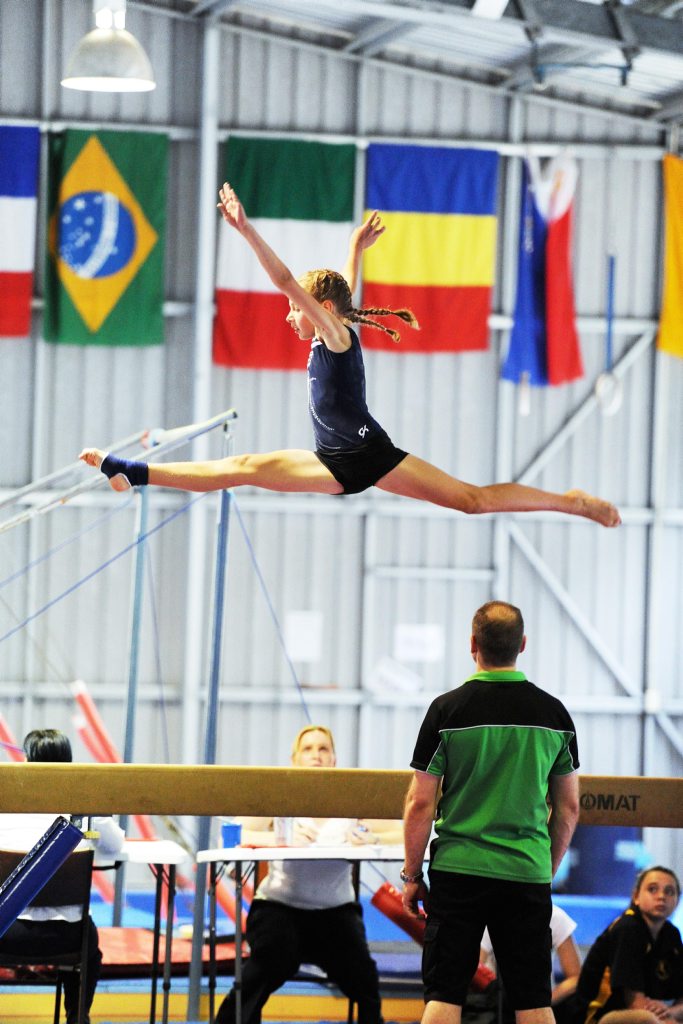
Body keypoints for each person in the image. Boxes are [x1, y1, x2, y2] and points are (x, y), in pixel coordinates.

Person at [78, 185, 621, 530]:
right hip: (329, 461)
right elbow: (337, 291)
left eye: (300, 311)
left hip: (367, 456)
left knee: (472, 501)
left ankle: (570, 501)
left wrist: (246, 231)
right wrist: (355, 251)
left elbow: (291, 283)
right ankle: (133, 472)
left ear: (322, 309)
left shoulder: (333, 333)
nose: (290, 316)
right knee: (240, 468)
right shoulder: (330, 332)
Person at [401, 600, 581, 1024]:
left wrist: (411, 875)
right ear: (522, 644)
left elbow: (420, 802)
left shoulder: (447, 711)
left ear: (472, 645)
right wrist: (543, 868)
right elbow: (569, 806)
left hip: (460, 870)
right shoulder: (554, 715)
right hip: (525, 871)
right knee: (534, 1001)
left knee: (444, 996)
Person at [214, 724, 401, 1024]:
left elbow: (402, 831)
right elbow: (230, 835)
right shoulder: (279, 797)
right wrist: (277, 838)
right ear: (295, 759)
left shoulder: (351, 802)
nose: (316, 755)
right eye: (308, 749)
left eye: (323, 749)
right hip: (279, 909)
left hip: (335, 914)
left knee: (364, 979)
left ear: (334, 760)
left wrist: (369, 836)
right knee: (269, 964)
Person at [0, 729, 125, 1024]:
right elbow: (115, 846)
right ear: (69, 762)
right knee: (90, 950)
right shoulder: (83, 806)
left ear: (28, 762)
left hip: (7, 933)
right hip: (67, 938)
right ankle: (77, 1015)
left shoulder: (7, 810)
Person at [572, 866, 683, 1024]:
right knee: (647, 1019)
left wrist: (670, 1012)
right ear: (636, 896)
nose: (661, 896)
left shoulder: (671, 934)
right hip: (600, 1016)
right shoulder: (627, 928)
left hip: (648, 1012)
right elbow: (634, 1003)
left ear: (677, 901)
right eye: (652, 889)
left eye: (669, 892)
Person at [480, 902, 582, 1024]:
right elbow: (476, 969)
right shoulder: (493, 916)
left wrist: (545, 1002)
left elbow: (576, 978)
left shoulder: (555, 916)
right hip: (498, 1003)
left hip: (541, 999)